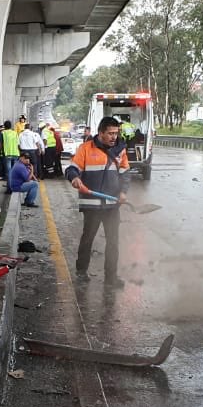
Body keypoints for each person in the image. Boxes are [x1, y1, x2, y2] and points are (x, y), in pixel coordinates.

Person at [65, 116, 129, 288]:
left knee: (113, 242)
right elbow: (72, 168)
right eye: (110, 133)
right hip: (92, 205)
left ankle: (111, 278)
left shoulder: (120, 150)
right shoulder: (86, 149)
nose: (114, 137)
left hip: (112, 206)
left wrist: (123, 191)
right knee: (87, 239)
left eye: (116, 133)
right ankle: (81, 271)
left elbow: (125, 174)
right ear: (101, 133)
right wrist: (74, 178)